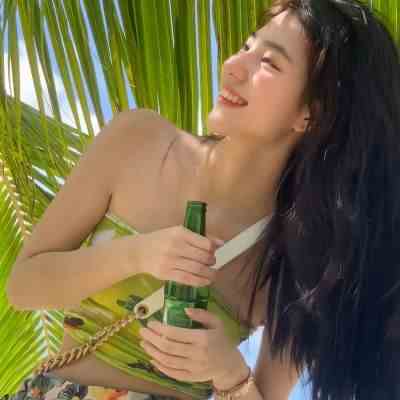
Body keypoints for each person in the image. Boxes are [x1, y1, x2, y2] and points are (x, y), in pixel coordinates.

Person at [3, 0, 400, 399]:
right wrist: (137, 254)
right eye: (247, 46)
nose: (233, 65)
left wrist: (230, 373)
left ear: (311, 114)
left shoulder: (295, 258)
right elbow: (23, 287)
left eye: (269, 62)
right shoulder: (138, 141)